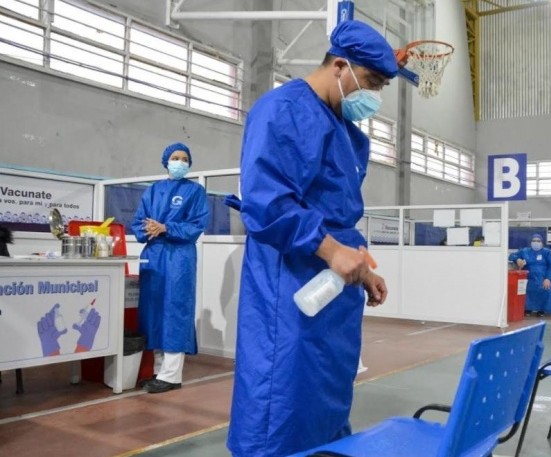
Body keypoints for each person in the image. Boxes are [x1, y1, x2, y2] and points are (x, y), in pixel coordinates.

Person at [227, 20, 393, 457]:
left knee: (327, 392)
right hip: (290, 279)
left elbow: (336, 213)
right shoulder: (281, 111)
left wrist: (359, 269)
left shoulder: (348, 133)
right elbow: (266, 202)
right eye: (371, 82)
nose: (373, 97)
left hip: (333, 287)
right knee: (281, 392)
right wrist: (331, 250)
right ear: (341, 65)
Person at [131, 142, 209, 394]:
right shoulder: (152, 191)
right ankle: (158, 372)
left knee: (175, 310)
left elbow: (197, 224)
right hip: (154, 256)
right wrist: (150, 229)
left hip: (179, 258)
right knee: (153, 312)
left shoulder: (195, 191)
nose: (180, 162)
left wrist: (166, 228)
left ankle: (171, 375)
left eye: (184, 158)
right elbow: (137, 222)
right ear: (166, 161)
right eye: (175, 158)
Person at [509, 233, 551, 317]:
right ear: (531, 242)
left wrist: (548, 278)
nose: (536, 242)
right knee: (526, 287)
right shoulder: (525, 251)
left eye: (538, 241)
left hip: (544, 278)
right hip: (529, 278)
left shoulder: (547, 253)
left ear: (542, 243)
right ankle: (528, 308)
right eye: (534, 241)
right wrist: (517, 259)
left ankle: (542, 309)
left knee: (546, 288)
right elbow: (512, 256)